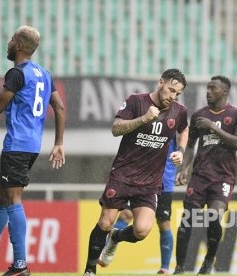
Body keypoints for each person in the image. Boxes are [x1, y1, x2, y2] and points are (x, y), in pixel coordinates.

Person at [0, 25, 66, 276]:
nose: (8, 42)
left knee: (14, 201)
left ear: (18, 44)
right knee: (1, 198)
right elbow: (59, 108)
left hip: (17, 145)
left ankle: (20, 266)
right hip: (31, 146)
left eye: (11, 39)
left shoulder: (17, 73)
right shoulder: (44, 73)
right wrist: (58, 142)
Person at [83, 69, 189, 276]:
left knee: (141, 231)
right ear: (160, 83)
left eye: (177, 93)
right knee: (105, 222)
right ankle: (90, 270)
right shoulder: (135, 101)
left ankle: (116, 238)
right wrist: (143, 119)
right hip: (123, 175)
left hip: (150, 182)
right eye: (170, 90)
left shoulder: (179, 111)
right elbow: (116, 129)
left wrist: (181, 151)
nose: (172, 96)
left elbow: (184, 129)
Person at [173, 75, 237, 275]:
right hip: (199, 177)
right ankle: (179, 268)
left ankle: (208, 260)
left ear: (224, 91)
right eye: (207, 88)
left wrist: (213, 127)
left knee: (214, 218)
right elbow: (189, 146)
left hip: (223, 177)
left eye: (213, 88)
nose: (208, 91)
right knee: (186, 221)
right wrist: (184, 167)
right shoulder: (199, 115)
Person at [111, 136, 178, 274]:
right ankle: (109, 245)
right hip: (142, 181)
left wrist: (184, 168)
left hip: (165, 181)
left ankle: (165, 268)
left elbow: (185, 145)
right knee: (126, 214)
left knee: (163, 222)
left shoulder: (175, 121)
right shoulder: (147, 119)